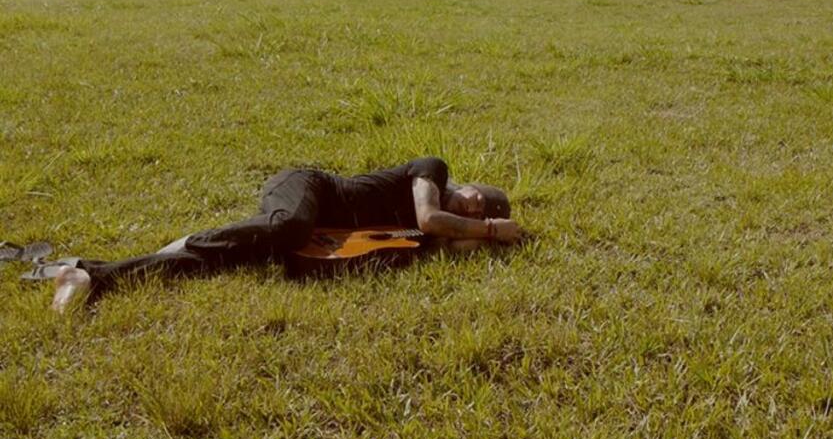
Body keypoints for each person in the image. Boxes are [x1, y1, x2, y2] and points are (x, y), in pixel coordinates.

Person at [51, 157, 523, 312]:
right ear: (467, 185)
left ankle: (91, 277)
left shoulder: (434, 238)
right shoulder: (432, 174)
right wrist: (491, 229)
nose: (477, 206)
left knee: (231, 261)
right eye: (480, 198)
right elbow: (430, 219)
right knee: (289, 228)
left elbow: (449, 240)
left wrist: (488, 237)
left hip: (315, 236)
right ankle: (201, 235)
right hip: (306, 191)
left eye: (488, 210)